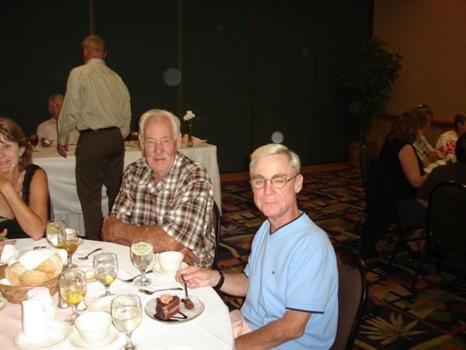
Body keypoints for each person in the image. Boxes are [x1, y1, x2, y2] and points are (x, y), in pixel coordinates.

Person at [177, 144, 338, 349]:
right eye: (259, 181)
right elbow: (252, 282)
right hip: (254, 324)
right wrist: (214, 277)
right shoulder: (266, 228)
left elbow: (292, 327)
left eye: (279, 180)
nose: (267, 191)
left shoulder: (311, 246)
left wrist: (235, 346)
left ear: (297, 183)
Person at [101, 109, 215, 267]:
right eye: (150, 141)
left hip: (186, 273)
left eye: (165, 141)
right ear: (141, 142)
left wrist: (121, 232)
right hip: (138, 263)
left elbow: (170, 242)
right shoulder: (133, 172)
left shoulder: (194, 176)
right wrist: (162, 244)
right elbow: (109, 233)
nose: (158, 150)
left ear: (178, 141)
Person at [57, 34, 131, 241]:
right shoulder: (116, 77)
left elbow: (70, 108)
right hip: (116, 139)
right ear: (104, 53)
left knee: (90, 195)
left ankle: (96, 241)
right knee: (116, 194)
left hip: (92, 139)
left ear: (85, 52)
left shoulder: (79, 73)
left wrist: (62, 137)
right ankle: (119, 237)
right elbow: (126, 112)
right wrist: (118, 134)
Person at [0, 117, 49, 240]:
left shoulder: (35, 176)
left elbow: (37, 232)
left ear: (21, 150)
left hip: (32, 255)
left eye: (7, 146)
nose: (1, 155)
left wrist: (6, 188)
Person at [379, 109, 427, 227]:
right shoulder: (405, 148)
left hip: (385, 197)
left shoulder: (389, 141)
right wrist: (433, 175)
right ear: (412, 129)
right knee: (440, 205)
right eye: (420, 129)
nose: (421, 133)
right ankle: (418, 240)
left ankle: (415, 239)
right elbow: (416, 182)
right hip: (401, 202)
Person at [418, 133, 466, 206]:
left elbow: (421, 199)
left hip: (437, 216)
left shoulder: (438, 172)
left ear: (456, 151)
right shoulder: (438, 172)